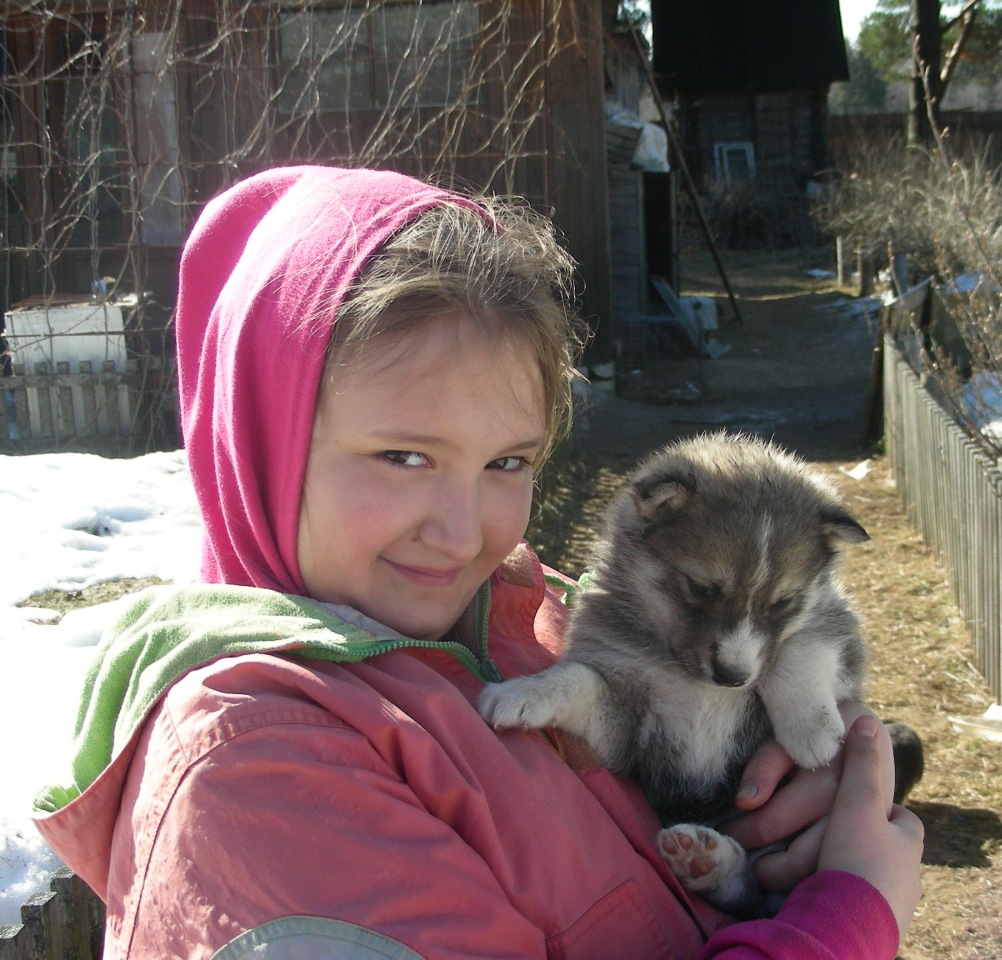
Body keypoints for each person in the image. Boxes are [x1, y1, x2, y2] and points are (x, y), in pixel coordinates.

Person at [32, 166, 922, 960]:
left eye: (507, 462)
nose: (462, 535)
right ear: (263, 444)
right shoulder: (260, 775)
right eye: (403, 457)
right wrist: (843, 922)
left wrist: (800, 800)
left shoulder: (514, 621)